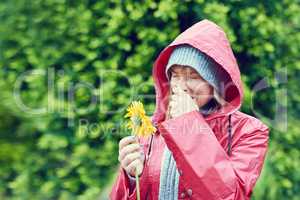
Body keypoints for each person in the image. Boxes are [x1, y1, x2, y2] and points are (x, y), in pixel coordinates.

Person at [110, 19, 269, 200]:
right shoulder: (150, 130)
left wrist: (189, 124)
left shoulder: (249, 131)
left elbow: (231, 196)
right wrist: (131, 179)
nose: (182, 86)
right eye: (175, 76)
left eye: (193, 76)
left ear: (215, 83)